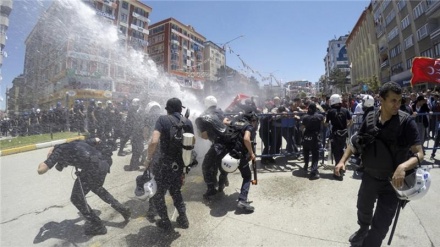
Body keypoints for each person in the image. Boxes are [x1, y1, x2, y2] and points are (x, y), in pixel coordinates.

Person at [334, 81, 423, 247]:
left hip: (393, 183)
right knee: (363, 207)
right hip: (370, 176)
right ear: (381, 99)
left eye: (400, 101)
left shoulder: (406, 122)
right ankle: (363, 228)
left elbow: (419, 153)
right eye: (393, 100)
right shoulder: (369, 118)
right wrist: (342, 161)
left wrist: (403, 167)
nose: (397, 105)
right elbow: (354, 143)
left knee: (380, 227)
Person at [37, 138, 131, 236]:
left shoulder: (57, 152)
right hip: (104, 163)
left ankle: (98, 226)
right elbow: (97, 139)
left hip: (92, 168)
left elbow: (41, 170)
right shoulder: (75, 143)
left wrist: (47, 160)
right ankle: (123, 209)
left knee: (76, 198)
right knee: (97, 188)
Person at [144, 97, 195, 231]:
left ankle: (165, 221)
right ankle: (183, 218)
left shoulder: (162, 120)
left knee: (158, 194)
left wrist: (148, 160)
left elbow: (154, 142)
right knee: (176, 191)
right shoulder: (188, 122)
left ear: (168, 109)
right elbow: (191, 143)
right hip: (179, 165)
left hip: (163, 165)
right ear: (180, 109)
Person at [198, 95, 231, 199]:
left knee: (206, 166)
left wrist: (198, 133)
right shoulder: (221, 111)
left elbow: (204, 136)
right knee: (222, 164)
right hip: (228, 142)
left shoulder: (204, 115)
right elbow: (225, 124)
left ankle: (211, 189)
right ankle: (222, 182)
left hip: (217, 144)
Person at [233, 112, 259, 212]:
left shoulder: (235, 123)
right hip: (239, 155)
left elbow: (225, 122)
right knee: (247, 176)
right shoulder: (248, 126)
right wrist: (251, 153)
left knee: (224, 170)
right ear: (252, 120)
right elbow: (246, 139)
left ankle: (220, 184)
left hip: (228, 153)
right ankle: (242, 200)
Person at [325, 94, 352, 171]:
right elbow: (351, 122)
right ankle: (342, 165)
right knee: (342, 150)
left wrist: (324, 120)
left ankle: (338, 169)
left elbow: (326, 123)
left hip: (335, 134)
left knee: (336, 151)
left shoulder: (330, 111)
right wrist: (346, 127)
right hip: (344, 134)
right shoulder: (345, 110)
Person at [300, 103, 324, 180]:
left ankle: (306, 165)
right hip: (315, 137)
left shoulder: (305, 117)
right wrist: (321, 109)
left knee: (306, 151)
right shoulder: (320, 116)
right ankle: (313, 172)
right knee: (315, 154)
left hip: (306, 137)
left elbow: (301, 127)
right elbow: (325, 123)